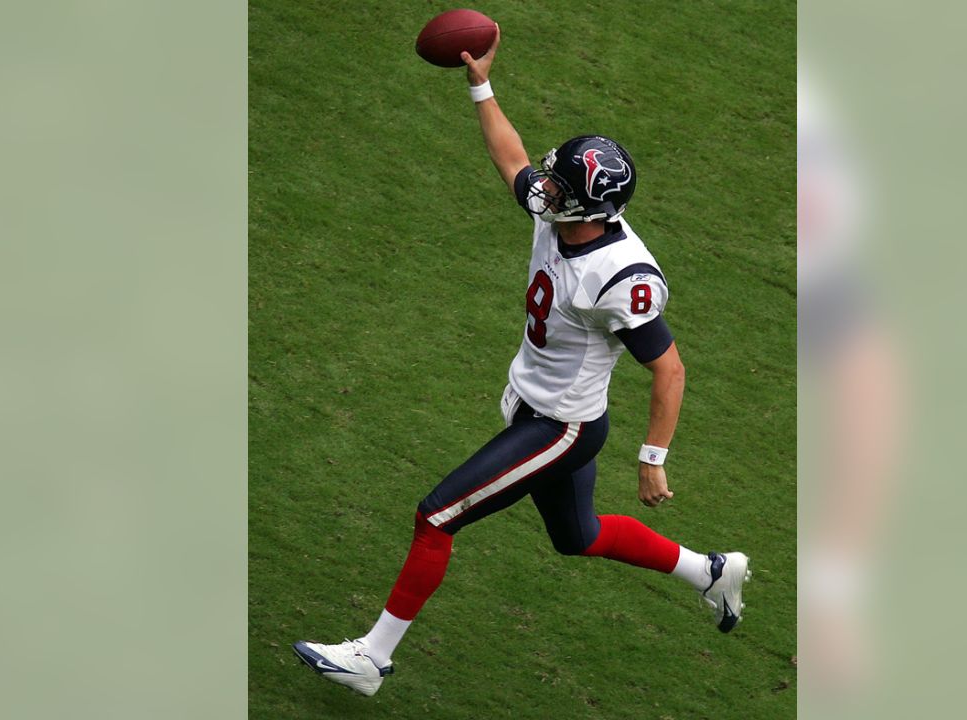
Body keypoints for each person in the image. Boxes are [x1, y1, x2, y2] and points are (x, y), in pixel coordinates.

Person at [292, 27, 750, 697]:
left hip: (561, 425)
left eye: (561, 185)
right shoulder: (561, 214)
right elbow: (510, 155)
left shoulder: (619, 274)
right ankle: (709, 571)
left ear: (592, 208)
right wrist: (480, 82)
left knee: (437, 515)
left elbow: (669, 368)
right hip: (534, 403)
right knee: (577, 536)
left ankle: (372, 657)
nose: (546, 188)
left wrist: (652, 459)